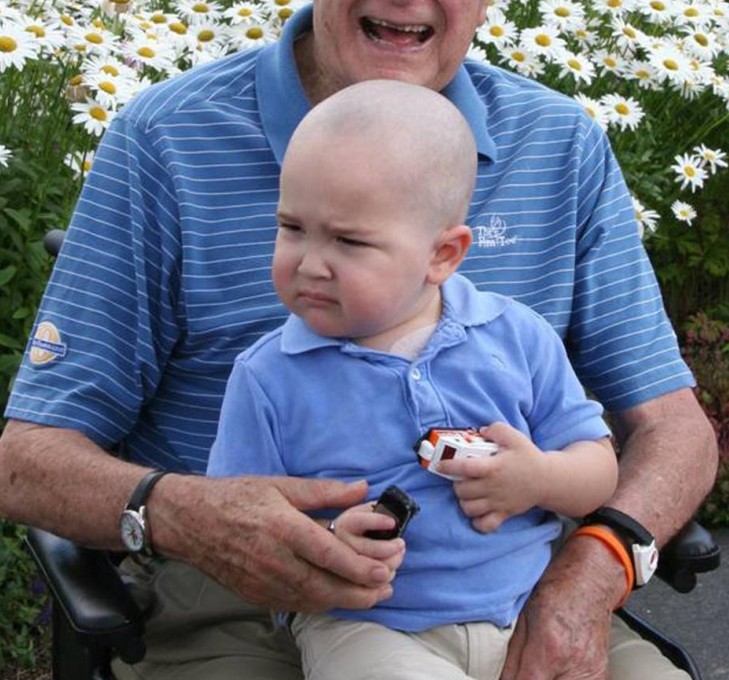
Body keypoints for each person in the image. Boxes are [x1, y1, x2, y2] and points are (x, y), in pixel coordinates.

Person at [0, 2, 718, 679]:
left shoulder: (559, 143)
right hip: (238, 595)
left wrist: (598, 564)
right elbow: (27, 463)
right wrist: (188, 514)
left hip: (514, 581)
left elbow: (673, 428)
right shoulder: (168, 138)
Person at [206, 79, 620, 680]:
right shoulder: (271, 376)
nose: (309, 262)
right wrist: (326, 538)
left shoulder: (516, 337)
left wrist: (539, 477)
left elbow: (598, 468)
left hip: (528, 612)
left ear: (443, 256)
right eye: (292, 227)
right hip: (368, 629)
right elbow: (237, 526)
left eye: (348, 240)